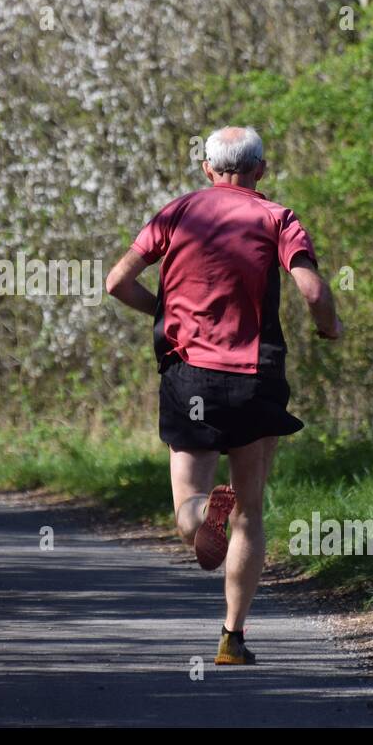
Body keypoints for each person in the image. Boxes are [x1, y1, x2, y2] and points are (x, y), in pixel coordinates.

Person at [104, 126, 341, 665]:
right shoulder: (278, 217)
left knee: (188, 505)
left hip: (190, 377)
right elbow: (312, 289)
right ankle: (233, 638)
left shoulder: (175, 214)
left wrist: (165, 314)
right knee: (250, 513)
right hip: (256, 377)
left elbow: (117, 281)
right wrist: (329, 328)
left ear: (207, 170)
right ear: (260, 169)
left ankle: (204, 509)